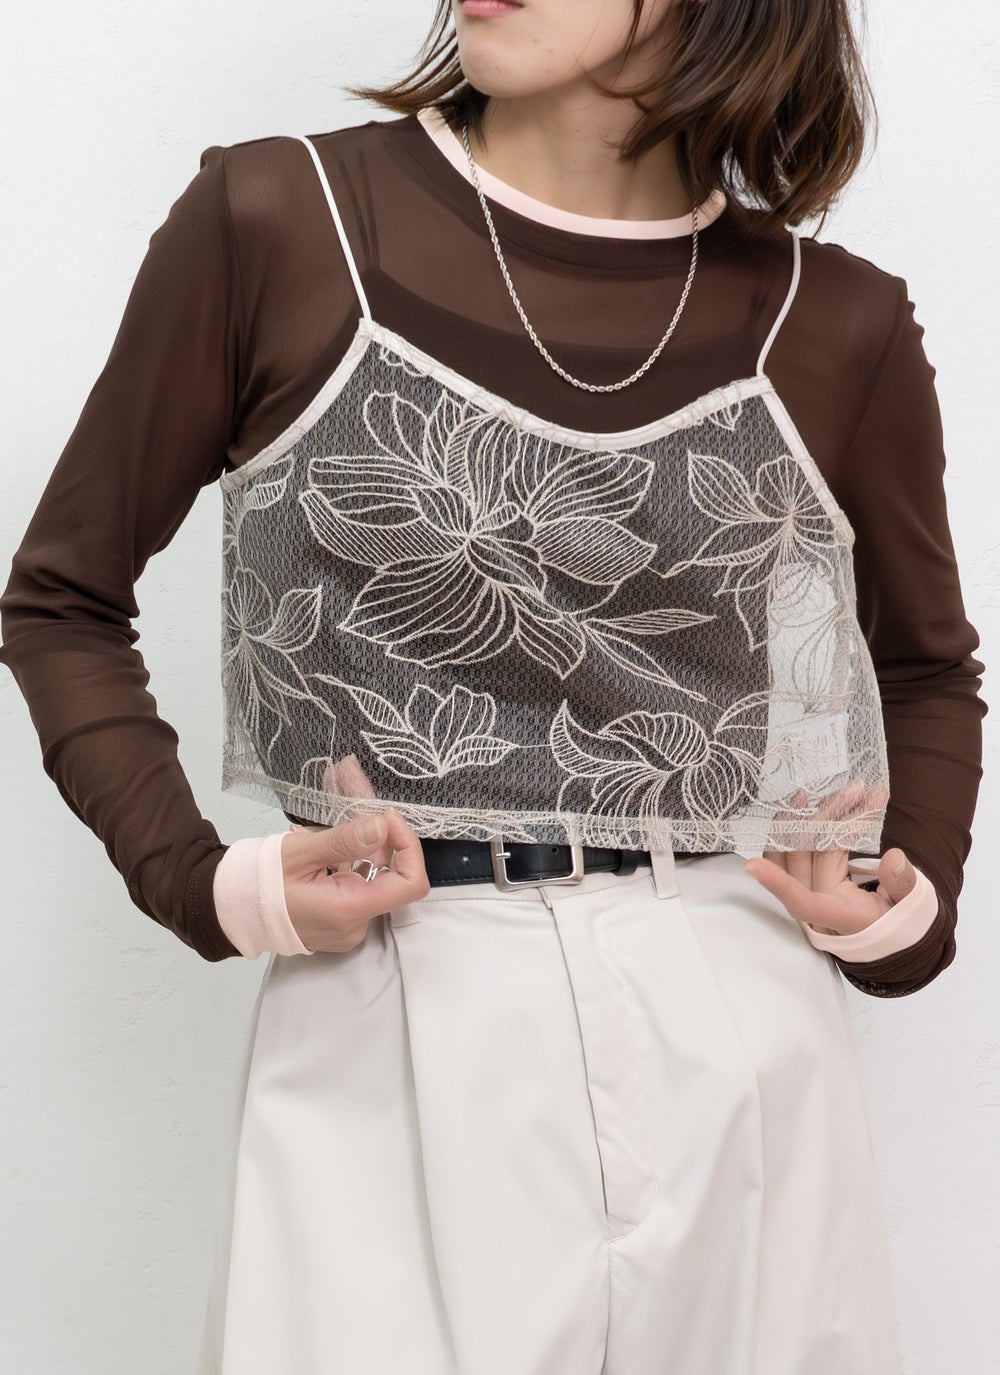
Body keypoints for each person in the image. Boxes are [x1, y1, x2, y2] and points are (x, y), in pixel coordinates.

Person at [0, 1, 985, 1371]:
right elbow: (61, 599)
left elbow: (928, 666)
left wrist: (899, 906)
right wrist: (209, 885)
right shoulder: (283, 220)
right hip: (396, 1005)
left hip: (740, 1020)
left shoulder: (835, 320)